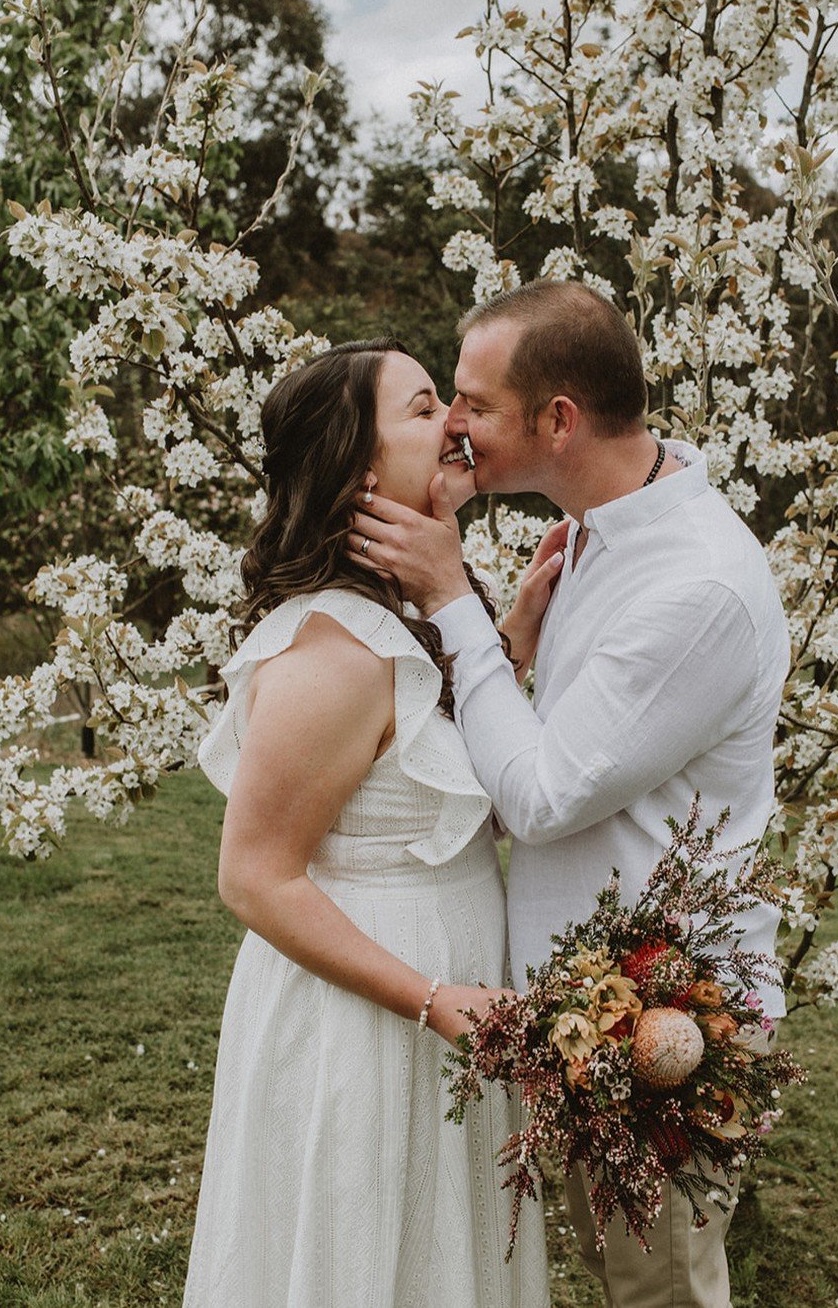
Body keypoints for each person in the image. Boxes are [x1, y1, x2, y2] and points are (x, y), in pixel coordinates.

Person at [348, 282, 791, 1308]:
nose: (454, 426)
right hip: (590, 1006)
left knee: (661, 1290)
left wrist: (455, 602)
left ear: (559, 420)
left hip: (669, 1021)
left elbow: (542, 795)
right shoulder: (596, 523)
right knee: (617, 1272)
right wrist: (501, 628)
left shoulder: (697, 585)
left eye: (474, 404)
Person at [183, 338, 557, 1308]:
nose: (457, 424)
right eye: (426, 405)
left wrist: (506, 635)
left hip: (445, 996)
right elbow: (254, 876)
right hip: (367, 1017)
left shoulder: (408, 615)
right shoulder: (333, 652)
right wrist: (435, 998)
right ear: (358, 466)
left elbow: (417, 767)